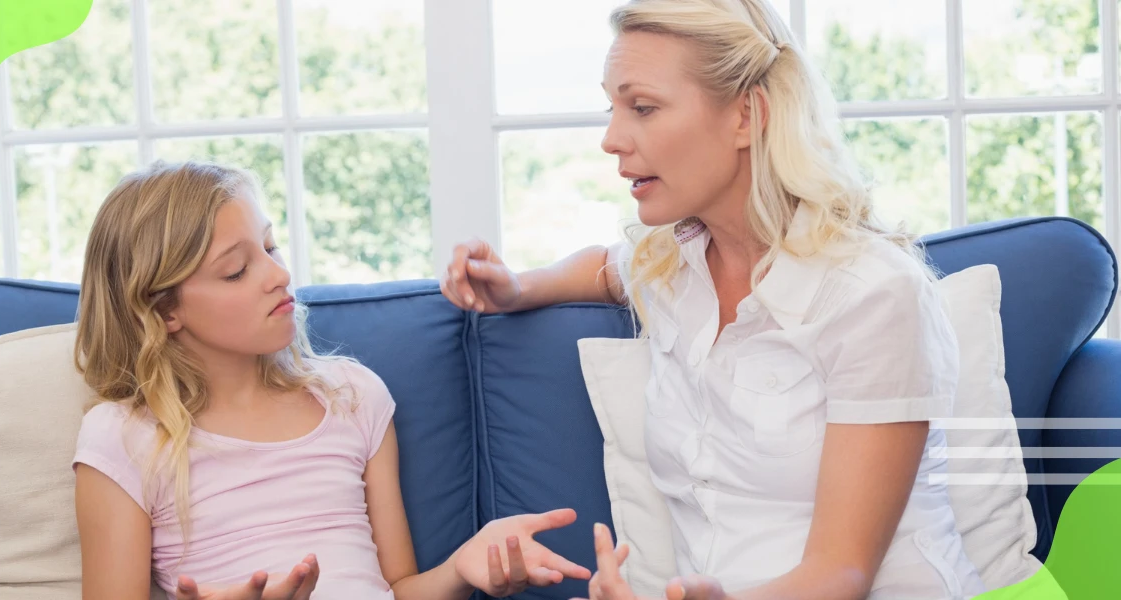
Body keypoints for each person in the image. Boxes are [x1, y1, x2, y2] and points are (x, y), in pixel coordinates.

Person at [440, 0, 985, 598]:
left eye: (642, 107)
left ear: (747, 116)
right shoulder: (673, 260)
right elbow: (605, 266)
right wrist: (518, 289)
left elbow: (841, 573)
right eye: (613, 107)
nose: (611, 139)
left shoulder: (874, 295)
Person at [71, 160, 591, 600]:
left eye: (271, 248)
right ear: (164, 310)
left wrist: (463, 565)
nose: (278, 275)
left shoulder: (350, 396)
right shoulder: (125, 437)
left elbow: (397, 587)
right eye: (236, 271)